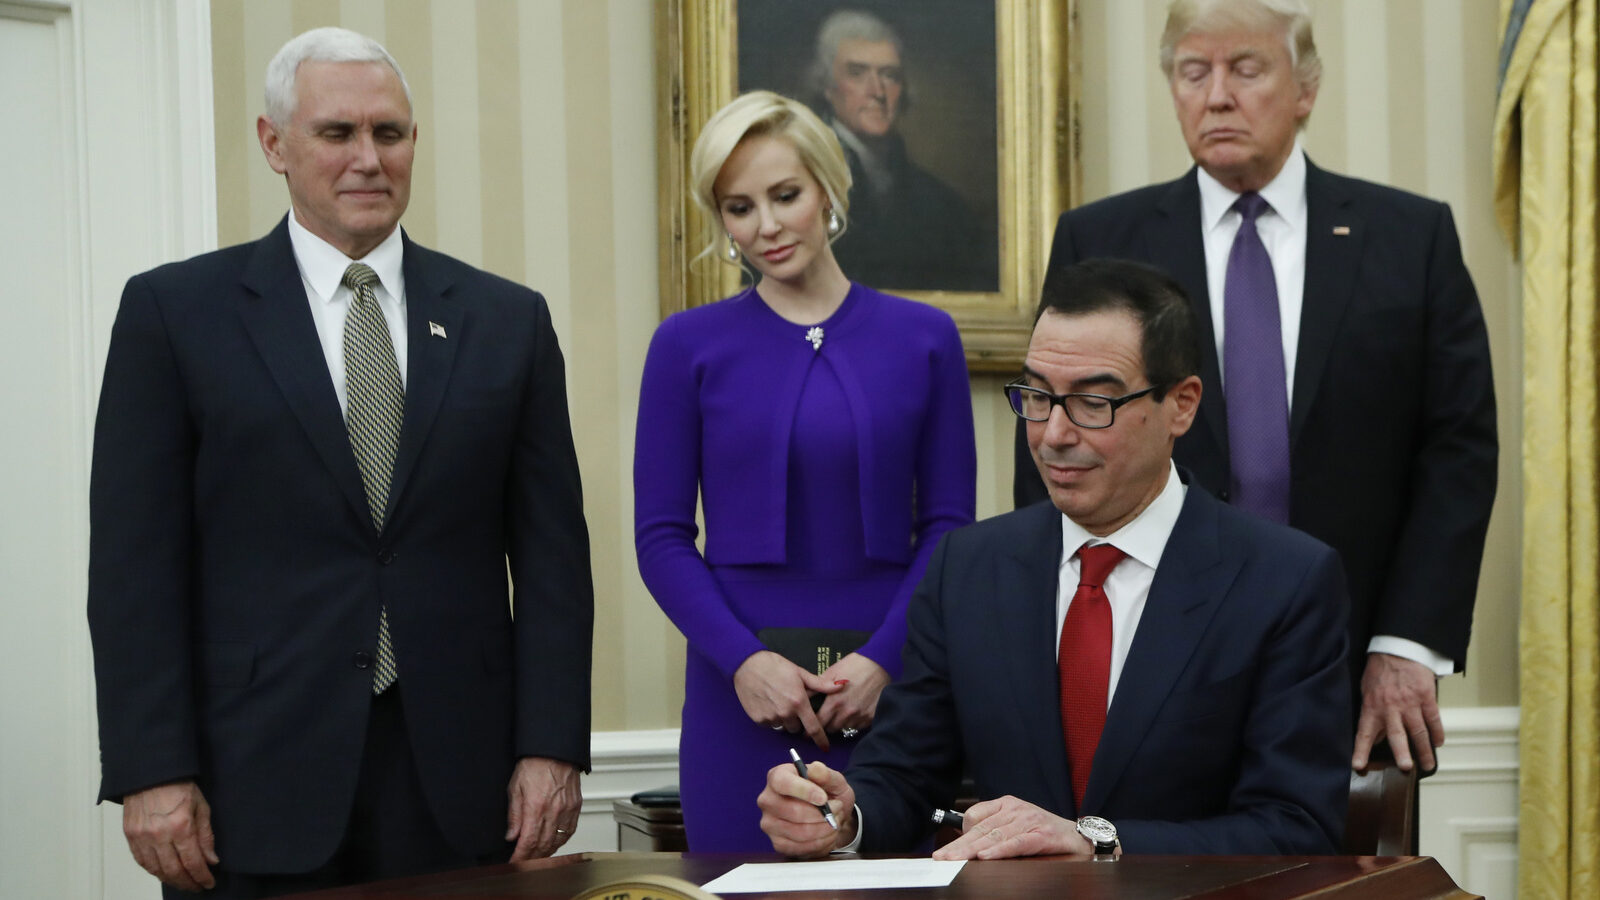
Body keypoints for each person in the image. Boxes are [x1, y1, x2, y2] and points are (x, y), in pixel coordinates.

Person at [87, 27, 593, 897]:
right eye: (337, 134)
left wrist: (550, 746)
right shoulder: (175, 314)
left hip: (460, 785)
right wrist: (150, 769)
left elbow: (552, 557)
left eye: (389, 134)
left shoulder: (506, 321)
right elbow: (135, 566)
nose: (369, 158)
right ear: (274, 144)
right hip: (246, 783)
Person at [1012, 0, 1497, 777]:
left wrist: (1405, 645)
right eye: (1192, 72)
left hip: (1348, 655)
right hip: (1147, 653)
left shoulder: (1410, 238)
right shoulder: (1101, 239)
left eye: (1246, 69)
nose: (1217, 96)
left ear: (1304, 89)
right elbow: (1053, 443)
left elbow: (1458, 451)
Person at [760, 258, 1351, 858]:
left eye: (1094, 402)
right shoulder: (969, 568)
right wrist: (844, 816)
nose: (1053, 434)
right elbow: (905, 777)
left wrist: (1100, 842)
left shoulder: (1284, 581)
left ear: (1182, 404)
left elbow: (1296, 828)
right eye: (1038, 396)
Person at [635, 90, 977, 851]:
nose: (768, 226)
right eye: (739, 207)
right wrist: (745, 664)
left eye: (785, 195)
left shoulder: (925, 338)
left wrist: (884, 663)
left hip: (895, 699)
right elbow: (660, 538)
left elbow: (950, 527)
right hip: (739, 703)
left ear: (828, 187)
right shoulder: (685, 347)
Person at [806, 9, 998, 292]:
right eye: (857, 73)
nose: (877, 91)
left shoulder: (942, 205)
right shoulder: (796, 182)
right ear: (826, 85)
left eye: (889, 75)